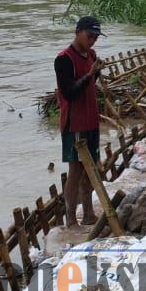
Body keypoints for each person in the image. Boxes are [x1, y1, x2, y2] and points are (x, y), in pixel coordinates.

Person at [55, 15, 106, 227]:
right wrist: (90, 75)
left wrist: (97, 73)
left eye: (95, 37)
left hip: (91, 120)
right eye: (89, 36)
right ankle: (70, 219)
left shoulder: (91, 54)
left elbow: (91, 82)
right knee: (75, 170)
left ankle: (88, 213)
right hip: (74, 123)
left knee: (91, 168)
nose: (92, 41)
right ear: (77, 32)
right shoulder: (64, 59)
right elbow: (69, 93)